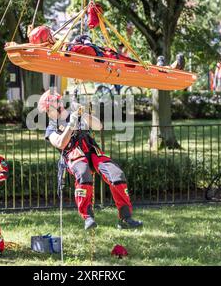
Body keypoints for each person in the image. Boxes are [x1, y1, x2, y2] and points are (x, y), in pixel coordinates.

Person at [38, 89, 143, 230]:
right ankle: (88, 217)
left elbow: (99, 125)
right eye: (48, 109)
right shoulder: (51, 128)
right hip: (74, 156)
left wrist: (84, 115)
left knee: (116, 175)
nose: (50, 112)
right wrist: (70, 126)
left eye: (52, 106)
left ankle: (125, 218)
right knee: (83, 173)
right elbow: (61, 144)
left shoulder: (75, 114)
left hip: (92, 151)